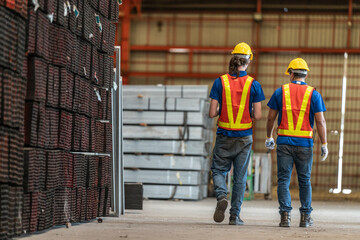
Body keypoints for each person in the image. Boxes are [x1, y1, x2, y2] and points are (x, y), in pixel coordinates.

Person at [265, 58, 328, 228]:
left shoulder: (281, 92)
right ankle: (305, 218)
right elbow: (320, 121)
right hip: (305, 145)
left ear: (291, 73)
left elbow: (271, 117)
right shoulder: (313, 94)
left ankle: (285, 217)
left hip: (284, 143)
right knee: (304, 180)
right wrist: (324, 144)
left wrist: (269, 137)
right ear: (306, 75)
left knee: (283, 180)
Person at [209, 42, 265, 225]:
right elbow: (257, 115)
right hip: (244, 137)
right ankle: (234, 216)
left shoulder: (220, 82)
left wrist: (222, 110)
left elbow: (211, 113)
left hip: (224, 134)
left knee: (218, 169)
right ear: (248, 62)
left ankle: (221, 195)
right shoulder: (253, 85)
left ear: (232, 59)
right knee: (239, 178)